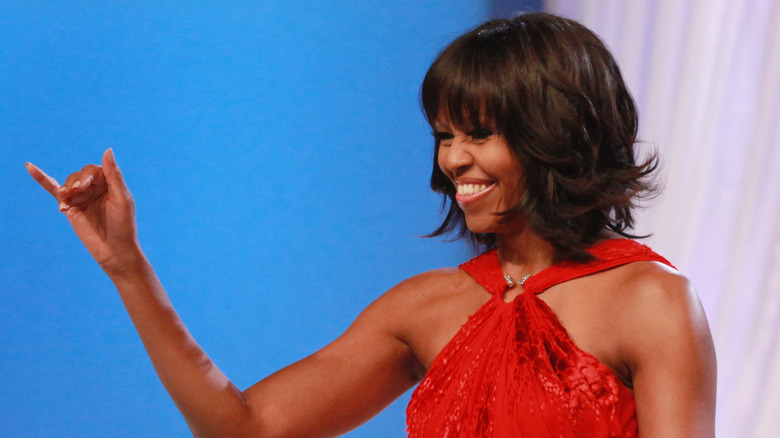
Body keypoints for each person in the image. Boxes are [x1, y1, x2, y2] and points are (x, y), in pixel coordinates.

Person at [27, 12, 716, 438]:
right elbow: (245, 429)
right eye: (445, 135)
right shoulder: (425, 307)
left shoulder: (650, 302)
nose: (453, 160)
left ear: (556, 133)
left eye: (479, 133)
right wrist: (128, 269)